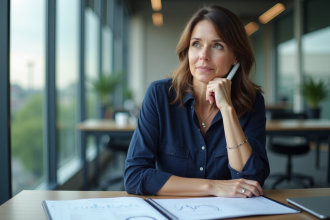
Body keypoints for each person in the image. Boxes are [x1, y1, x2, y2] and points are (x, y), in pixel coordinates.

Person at [124, 5, 270, 198]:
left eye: (217, 45)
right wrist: (212, 186)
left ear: (235, 57)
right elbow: (135, 176)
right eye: (196, 44)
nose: (203, 55)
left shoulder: (252, 102)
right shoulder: (160, 94)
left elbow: (252, 181)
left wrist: (227, 110)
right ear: (188, 50)